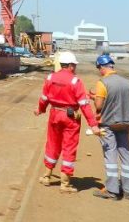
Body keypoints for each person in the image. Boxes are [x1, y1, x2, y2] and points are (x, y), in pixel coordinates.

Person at [34, 51, 100, 193]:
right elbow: (84, 105)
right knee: (69, 147)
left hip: (54, 115)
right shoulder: (75, 81)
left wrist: (40, 110)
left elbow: (44, 98)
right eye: (74, 65)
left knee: (52, 143)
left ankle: (46, 176)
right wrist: (93, 125)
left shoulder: (50, 77)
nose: (75, 68)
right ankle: (65, 184)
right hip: (70, 118)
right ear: (70, 66)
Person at [92, 54, 129, 200]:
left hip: (109, 123)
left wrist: (95, 98)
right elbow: (126, 101)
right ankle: (128, 190)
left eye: (99, 68)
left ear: (102, 67)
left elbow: (99, 106)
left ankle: (112, 190)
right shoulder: (127, 82)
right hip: (126, 122)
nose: (99, 71)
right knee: (126, 154)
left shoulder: (102, 83)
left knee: (110, 154)